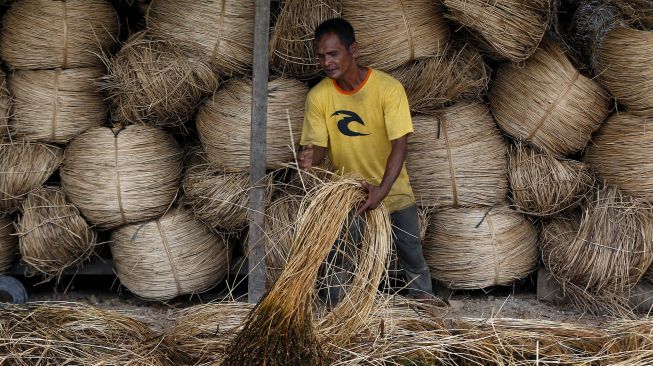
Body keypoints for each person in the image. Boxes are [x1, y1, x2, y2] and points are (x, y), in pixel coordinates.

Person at [298, 18, 440, 305]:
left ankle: (426, 311)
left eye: (333, 53)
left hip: (393, 191)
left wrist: (382, 190)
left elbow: (400, 145)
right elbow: (321, 148)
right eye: (321, 56)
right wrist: (312, 157)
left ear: (354, 50)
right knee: (341, 256)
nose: (326, 62)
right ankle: (339, 315)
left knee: (410, 252)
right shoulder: (318, 96)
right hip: (349, 195)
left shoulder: (388, 88)